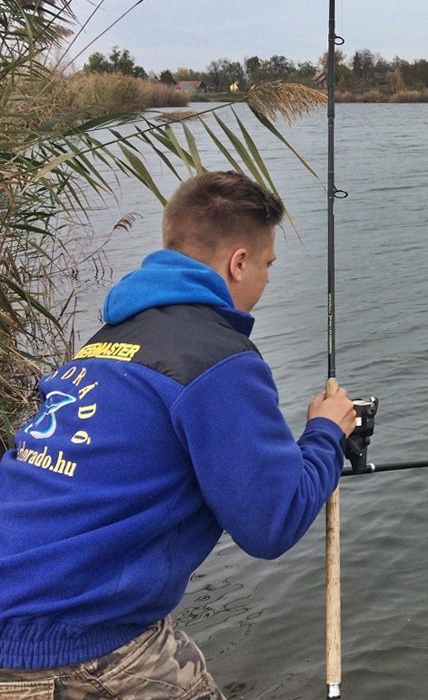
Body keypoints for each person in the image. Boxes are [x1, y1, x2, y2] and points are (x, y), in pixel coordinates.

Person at [0, 171, 357, 698]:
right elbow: (271, 522)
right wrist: (327, 433)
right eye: (267, 265)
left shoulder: (103, 343)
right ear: (238, 262)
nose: (266, 278)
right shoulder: (217, 359)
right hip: (79, 645)